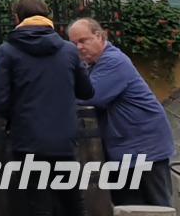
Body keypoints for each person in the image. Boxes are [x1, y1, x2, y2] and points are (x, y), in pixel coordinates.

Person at [0, 0, 94, 216]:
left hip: (27, 141)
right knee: (72, 204)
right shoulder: (68, 50)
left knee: (37, 205)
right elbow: (87, 91)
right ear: (48, 16)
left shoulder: (7, 51)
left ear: (17, 18)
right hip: (63, 139)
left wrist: (18, 116)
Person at [68, 17, 174, 211]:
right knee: (127, 207)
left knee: (157, 207)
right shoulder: (91, 66)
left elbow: (91, 96)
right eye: (74, 44)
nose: (78, 47)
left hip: (146, 148)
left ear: (100, 36)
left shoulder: (113, 61)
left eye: (83, 41)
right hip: (123, 150)